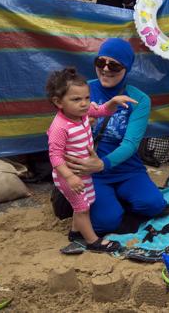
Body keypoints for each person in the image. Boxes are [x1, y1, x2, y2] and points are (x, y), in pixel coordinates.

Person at [64, 38, 167, 235]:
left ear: (126, 68)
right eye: (100, 62)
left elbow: (130, 144)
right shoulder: (83, 91)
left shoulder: (140, 99)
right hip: (90, 172)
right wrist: (83, 122)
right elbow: (61, 128)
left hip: (126, 168)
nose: (105, 69)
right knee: (106, 223)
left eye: (114, 65)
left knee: (154, 205)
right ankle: (108, 202)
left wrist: (103, 164)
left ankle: (115, 197)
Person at [46, 67, 136, 252]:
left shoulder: (82, 114)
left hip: (83, 172)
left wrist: (113, 102)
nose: (84, 103)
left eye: (87, 97)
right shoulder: (60, 127)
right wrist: (70, 177)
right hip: (68, 175)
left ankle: (75, 233)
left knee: (87, 201)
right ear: (58, 102)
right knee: (82, 208)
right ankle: (93, 241)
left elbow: (102, 110)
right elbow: (54, 156)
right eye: (76, 99)